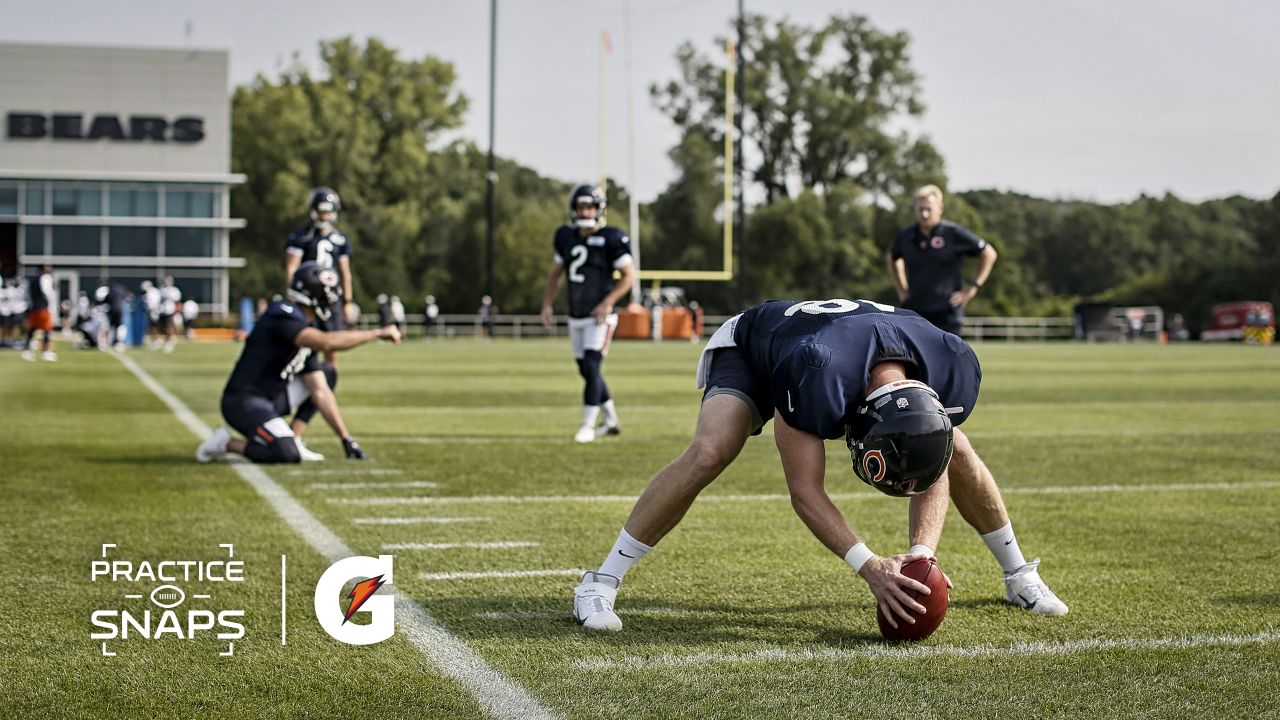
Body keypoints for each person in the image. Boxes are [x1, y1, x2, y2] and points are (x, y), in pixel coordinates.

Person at [571, 298, 1068, 633]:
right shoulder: (817, 373)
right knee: (711, 450)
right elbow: (805, 491)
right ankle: (600, 582)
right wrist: (872, 568)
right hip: (760, 346)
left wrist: (922, 558)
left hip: (842, 346)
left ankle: (1018, 574)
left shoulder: (953, 365)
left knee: (955, 448)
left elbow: (930, 465)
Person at [195, 262, 400, 465]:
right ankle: (226, 443)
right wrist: (378, 333)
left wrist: (346, 439)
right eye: (325, 296)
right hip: (244, 400)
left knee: (327, 374)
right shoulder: (282, 313)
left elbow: (320, 390)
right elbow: (326, 342)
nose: (330, 302)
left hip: (273, 396)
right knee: (285, 454)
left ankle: (295, 437)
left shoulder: (306, 325)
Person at [539, 184, 637, 443]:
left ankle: (587, 425)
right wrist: (547, 304)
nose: (585, 211)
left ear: (599, 209)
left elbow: (629, 276)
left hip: (600, 316)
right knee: (586, 369)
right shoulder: (565, 237)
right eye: (581, 207)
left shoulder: (612, 238)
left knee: (592, 365)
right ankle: (612, 419)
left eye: (589, 206)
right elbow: (555, 274)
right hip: (576, 314)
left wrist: (608, 302)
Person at [888, 185, 998, 336]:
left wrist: (971, 289)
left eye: (928, 209)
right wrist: (902, 289)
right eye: (920, 209)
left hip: (947, 314)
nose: (924, 214)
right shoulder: (906, 236)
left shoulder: (953, 233)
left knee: (945, 359)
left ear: (940, 208)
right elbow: (893, 258)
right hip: (915, 311)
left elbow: (989, 254)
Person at [284, 187, 354, 365]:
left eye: (328, 212)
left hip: (331, 297)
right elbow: (291, 268)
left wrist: (347, 301)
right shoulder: (301, 237)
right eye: (321, 211)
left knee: (332, 345)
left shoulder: (340, 239)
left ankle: (328, 384)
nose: (324, 216)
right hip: (307, 297)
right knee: (304, 342)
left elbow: (345, 272)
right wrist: (294, 294)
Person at [21, 264, 57, 362]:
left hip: (33, 308)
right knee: (47, 329)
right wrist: (51, 306)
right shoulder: (46, 278)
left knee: (32, 329)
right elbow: (48, 293)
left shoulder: (31, 280)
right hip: (43, 308)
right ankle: (45, 352)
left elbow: (27, 295)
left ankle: (27, 350)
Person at [158, 276, 182, 352]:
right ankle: (168, 339)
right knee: (164, 327)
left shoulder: (175, 290)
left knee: (169, 326)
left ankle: (170, 341)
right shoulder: (162, 290)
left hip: (170, 310)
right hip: (163, 311)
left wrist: (177, 311)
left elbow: (177, 302)